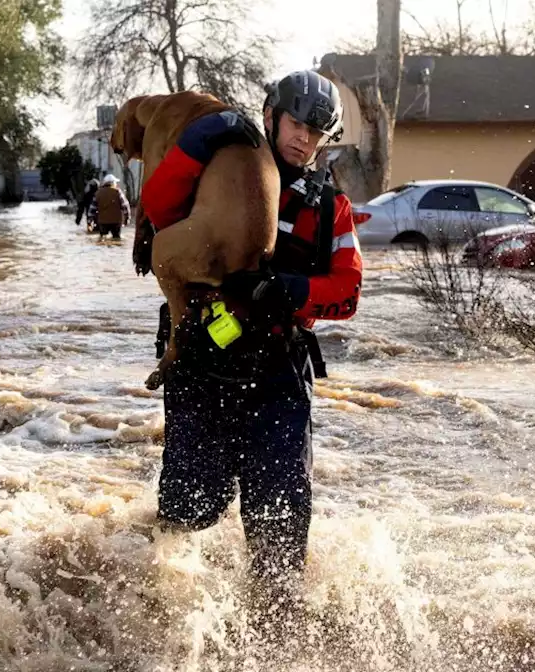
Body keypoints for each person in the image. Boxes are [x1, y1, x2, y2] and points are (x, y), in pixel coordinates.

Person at [137, 70, 363, 620]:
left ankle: (273, 630)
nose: (304, 139)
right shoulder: (214, 170)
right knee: (189, 508)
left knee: (280, 524)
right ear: (270, 116)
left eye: (316, 132)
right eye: (295, 123)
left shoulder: (330, 206)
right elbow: (159, 208)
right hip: (201, 362)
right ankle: (166, 611)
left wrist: (286, 289)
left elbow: (348, 291)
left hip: (279, 375)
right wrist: (196, 145)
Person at [94, 174, 131, 240]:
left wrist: (90, 221)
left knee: (102, 238)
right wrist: (127, 218)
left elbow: (92, 208)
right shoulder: (118, 192)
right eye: (115, 182)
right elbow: (125, 206)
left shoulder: (98, 193)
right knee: (117, 239)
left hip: (103, 221)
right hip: (116, 221)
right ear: (113, 183)